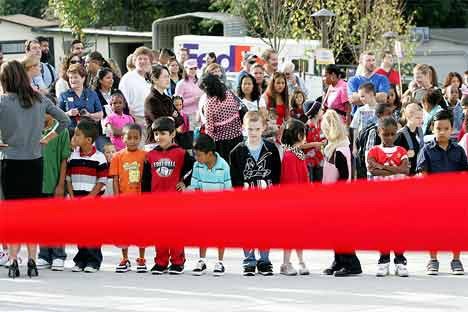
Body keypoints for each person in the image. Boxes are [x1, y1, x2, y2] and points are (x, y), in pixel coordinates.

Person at [0, 60, 70, 279]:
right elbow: (65, 120)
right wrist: (48, 137)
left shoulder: (2, 101)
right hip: (35, 159)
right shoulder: (39, 98)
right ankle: (32, 260)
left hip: (10, 160)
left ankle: (13, 261)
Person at [416, 109, 468, 275]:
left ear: (452, 129)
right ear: (432, 128)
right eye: (439, 128)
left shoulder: (458, 151)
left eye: (446, 128)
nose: (442, 132)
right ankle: (433, 260)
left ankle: (456, 260)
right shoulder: (426, 150)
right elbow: (423, 174)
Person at [229, 111, 280, 276]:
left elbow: (276, 174)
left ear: (263, 128)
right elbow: (235, 178)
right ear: (243, 128)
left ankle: (264, 261)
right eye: (250, 129)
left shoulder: (271, 149)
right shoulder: (236, 152)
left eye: (257, 129)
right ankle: (249, 260)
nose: (253, 133)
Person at [142, 117, 193, 274]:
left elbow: (193, 168)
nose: (159, 137)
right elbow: (146, 180)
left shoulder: (181, 153)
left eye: (163, 133)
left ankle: (177, 262)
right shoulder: (150, 155)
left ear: (172, 134)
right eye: (156, 134)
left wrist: (185, 182)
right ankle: (161, 262)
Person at [321, 110, 362, 277]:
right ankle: (338, 260)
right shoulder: (335, 147)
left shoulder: (340, 149)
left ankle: (351, 263)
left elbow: (344, 176)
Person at [366, 117, 409, 277]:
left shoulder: (401, 151)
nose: (389, 137)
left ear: (396, 134)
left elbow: (405, 171)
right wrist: (394, 169)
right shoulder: (373, 151)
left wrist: (382, 166)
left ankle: (400, 260)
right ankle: (384, 260)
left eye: (392, 134)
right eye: (386, 134)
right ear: (379, 133)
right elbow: (372, 170)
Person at [67, 120, 107, 273]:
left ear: (88, 140)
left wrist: (90, 197)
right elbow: (69, 178)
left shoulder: (99, 157)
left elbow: (102, 180)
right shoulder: (73, 156)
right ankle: (80, 260)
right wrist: (71, 196)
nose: (74, 137)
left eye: (78, 135)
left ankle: (93, 261)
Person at [189, 134, 232, 276]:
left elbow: (227, 189)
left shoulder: (223, 166)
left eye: (199, 155)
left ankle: (220, 262)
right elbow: (195, 186)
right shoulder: (197, 165)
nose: (197, 158)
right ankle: (201, 260)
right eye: (195, 155)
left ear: (209, 154)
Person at [109, 123, 148, 273]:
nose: (132, 141)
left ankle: (142, 259)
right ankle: (125, 259)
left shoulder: (145, 156)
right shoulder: (117, 156)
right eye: (129, 137)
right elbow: (115, 179)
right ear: (123, 138)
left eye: (136, 138)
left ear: (140, 139)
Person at [36, 113, 71, 271]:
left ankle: (58, 255)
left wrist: (60, 185)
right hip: (37, 184)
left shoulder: (61, 131)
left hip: (54, 183)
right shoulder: (34, 129)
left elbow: (64, 159)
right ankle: (44, 255)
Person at [279, 118, 310, 276]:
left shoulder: (297, 154)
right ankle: (286, 263)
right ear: (299, 135)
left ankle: (300, 260)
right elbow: (291, 181)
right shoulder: (290, 156)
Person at [202, 74, 243, 161]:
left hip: (221, 143)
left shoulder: (209, 103)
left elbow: (209, 128)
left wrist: (208, 146)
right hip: (238, 137)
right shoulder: (229, 94)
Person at [119, 47, 153, 141]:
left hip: (150, 121)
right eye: (140, 59)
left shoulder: (148, 79)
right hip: (136, 121)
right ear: (134, 61)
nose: (143, 61)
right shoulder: (128, 78)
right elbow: (123, 103)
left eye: (145, 59)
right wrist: (133, 120)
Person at [58, 64, 103, 135]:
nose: (72, 80)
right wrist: (68, 113)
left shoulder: (92, 94)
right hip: (70, 133)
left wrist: (89, 115)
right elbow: (57, 115)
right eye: (70, 78)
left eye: (75, 77)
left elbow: (100, 114)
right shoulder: (64, 95)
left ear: (83, 78)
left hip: (89, 132)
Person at [144, 65, 184, 143]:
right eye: (165, 77)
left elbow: (180, 120)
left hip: (169, 142)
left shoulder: (167, 98)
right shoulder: (151, 100)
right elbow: (161, 125)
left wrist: (170, 119)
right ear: (155, 79)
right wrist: (172, 118)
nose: (168, 79)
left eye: (168, 76)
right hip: (155, 143)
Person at [355, 103, 393, 179]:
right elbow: (369, 158)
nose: (391, 117)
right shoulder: (373, 132)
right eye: (388, 114)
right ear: (379, 115)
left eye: (392, 114)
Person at [394, 103, 424, 175]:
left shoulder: (420, 131)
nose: (421, 120)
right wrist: (405, 155)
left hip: (418, 171)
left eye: (422, 117)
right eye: (418, 118)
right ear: (408, 117)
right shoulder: (400, 135)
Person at [350, 82, 379, 157]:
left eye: (363, 96)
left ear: (371, 94)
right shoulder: (360, 110)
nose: (361, 99)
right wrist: (354, 147)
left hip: (377, 144)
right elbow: (355, 129)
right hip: (362, 145)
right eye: (360, 97)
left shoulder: (381, 109)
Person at [260, 72, 289, 141]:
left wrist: (283, 128)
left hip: (282, 134)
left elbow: (287, 118)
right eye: (278, 83)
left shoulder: (285, 97)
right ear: (273, 84)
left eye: (283, 83)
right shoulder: (265, 97)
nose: (281, 85)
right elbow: (262, 118)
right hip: (268, 135)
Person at [175, 59, 203, 130]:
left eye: (195, 68)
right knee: (190, 139)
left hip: (200, 115)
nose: (193, 70)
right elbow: (177, 104)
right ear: (185, 69)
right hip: (187, 116)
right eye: (191, 68)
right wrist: (194, 99)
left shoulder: (199, 82)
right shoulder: (181, 84)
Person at [301, 100, 325, 182]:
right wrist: (315, 144)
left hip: (319, 160)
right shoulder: (305, 127)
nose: (323, 110)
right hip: (309, 162)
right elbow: (301, 145)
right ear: (315, 113)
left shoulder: (320, 125)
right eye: (320, 109)